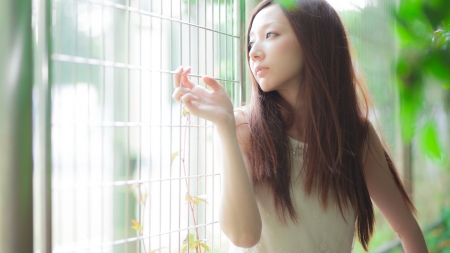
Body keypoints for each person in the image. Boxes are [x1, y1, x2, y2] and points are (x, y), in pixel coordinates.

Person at [172, 0, 428, 252]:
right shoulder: (242, 128)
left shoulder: (356, 136)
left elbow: (407, 230)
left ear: (314, 41)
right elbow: (244, 236)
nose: (253, 52)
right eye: (251, 42)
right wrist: (224, 125)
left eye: (270, 34)